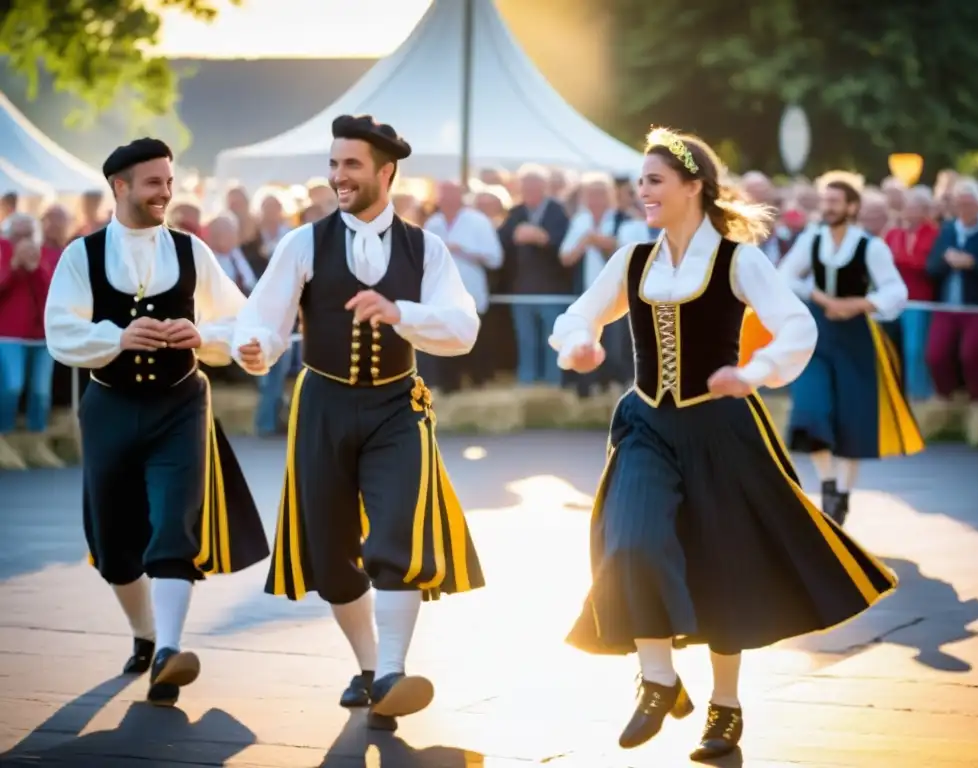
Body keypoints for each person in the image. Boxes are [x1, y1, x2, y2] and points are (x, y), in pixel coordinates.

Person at [550, 128, 898, 761]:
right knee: (629, 538)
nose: (643, 192)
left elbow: (797, 324)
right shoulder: (632, 261)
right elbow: (578, 314)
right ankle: (656, 677)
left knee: (722, 564)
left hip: (720, 429)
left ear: (693, 187)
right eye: (641, 182)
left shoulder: (738, 259)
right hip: (646, 424)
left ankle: (726, 708)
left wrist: (754, 372)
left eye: (655, 180)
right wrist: (577, 341)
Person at [232, 114, 485, 725]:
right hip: (322, 406)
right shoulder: (303, 242)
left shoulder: (427, 248)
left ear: (385, 171)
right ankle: (372, 668)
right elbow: (261, 316)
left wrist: (400, 311)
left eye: (351, 165)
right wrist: (256, 347)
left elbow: (463, 330)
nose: (338, 176)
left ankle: (394, 670)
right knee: (331, 554)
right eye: (334, 163)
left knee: (398, 530)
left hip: (398, 406)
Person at [43, 138, 270, 707]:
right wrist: (115, 338)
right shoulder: (82, 255)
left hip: (180, 403)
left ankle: (169, 651)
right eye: (153, 183)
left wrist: (205, 335)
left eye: (169, 181)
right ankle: (146, 635)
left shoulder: (192, 250)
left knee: (175, 522)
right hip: (109, 406)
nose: (165, 192)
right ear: (119, 186)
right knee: (114, 543)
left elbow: (239, 318)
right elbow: (59, 331)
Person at [778, 173, 924, 525]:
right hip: (815, 333)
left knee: (850, 419)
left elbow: (895, 292)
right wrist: (818, 295)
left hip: (855, 337)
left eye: (834, 202)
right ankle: (828, 484)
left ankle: (841, 493)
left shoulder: (869, 245)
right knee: (810, 412)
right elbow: (784, 276)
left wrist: (858, 304)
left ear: (852, 206)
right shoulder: (811, 239)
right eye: (824, 201)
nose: (827, 207)